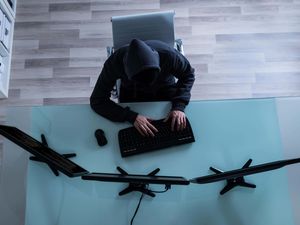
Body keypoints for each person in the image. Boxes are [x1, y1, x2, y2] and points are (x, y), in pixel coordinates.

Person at [90, 39, 195, 137]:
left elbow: (188, 74)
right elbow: (97, 100)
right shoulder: (114, 63)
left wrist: (179, 106)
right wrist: (131, 117)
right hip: (132, 94)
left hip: (164, 89)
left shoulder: (170, 56)